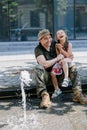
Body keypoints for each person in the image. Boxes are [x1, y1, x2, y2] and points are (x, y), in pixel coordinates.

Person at [34, 29, 87, 108]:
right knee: (38, 68)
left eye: (49, 37)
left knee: (72, 65)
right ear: (40, 40)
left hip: (59, 74)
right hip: (47, 77)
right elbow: (44, 64)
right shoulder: (38, 49)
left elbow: (68, 55)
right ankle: (45, 96)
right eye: (45, 38)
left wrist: (69, 56)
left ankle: (77, 94)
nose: (49, 40)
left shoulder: (55, 44)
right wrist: (57, 58)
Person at [51, 29, 73, 98]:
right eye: (58, 33)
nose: (60, 33)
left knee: (64, 61)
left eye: (62, 32)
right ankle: (57, 89)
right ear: (57, 37)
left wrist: (61, 49)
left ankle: (66, 79)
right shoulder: (56, 45)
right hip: (60, 60)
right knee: (52, 73)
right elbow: (58, 55)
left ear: (65, 35)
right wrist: (59, 60)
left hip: (67, 59)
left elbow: (68, 55)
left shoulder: (69, 44)